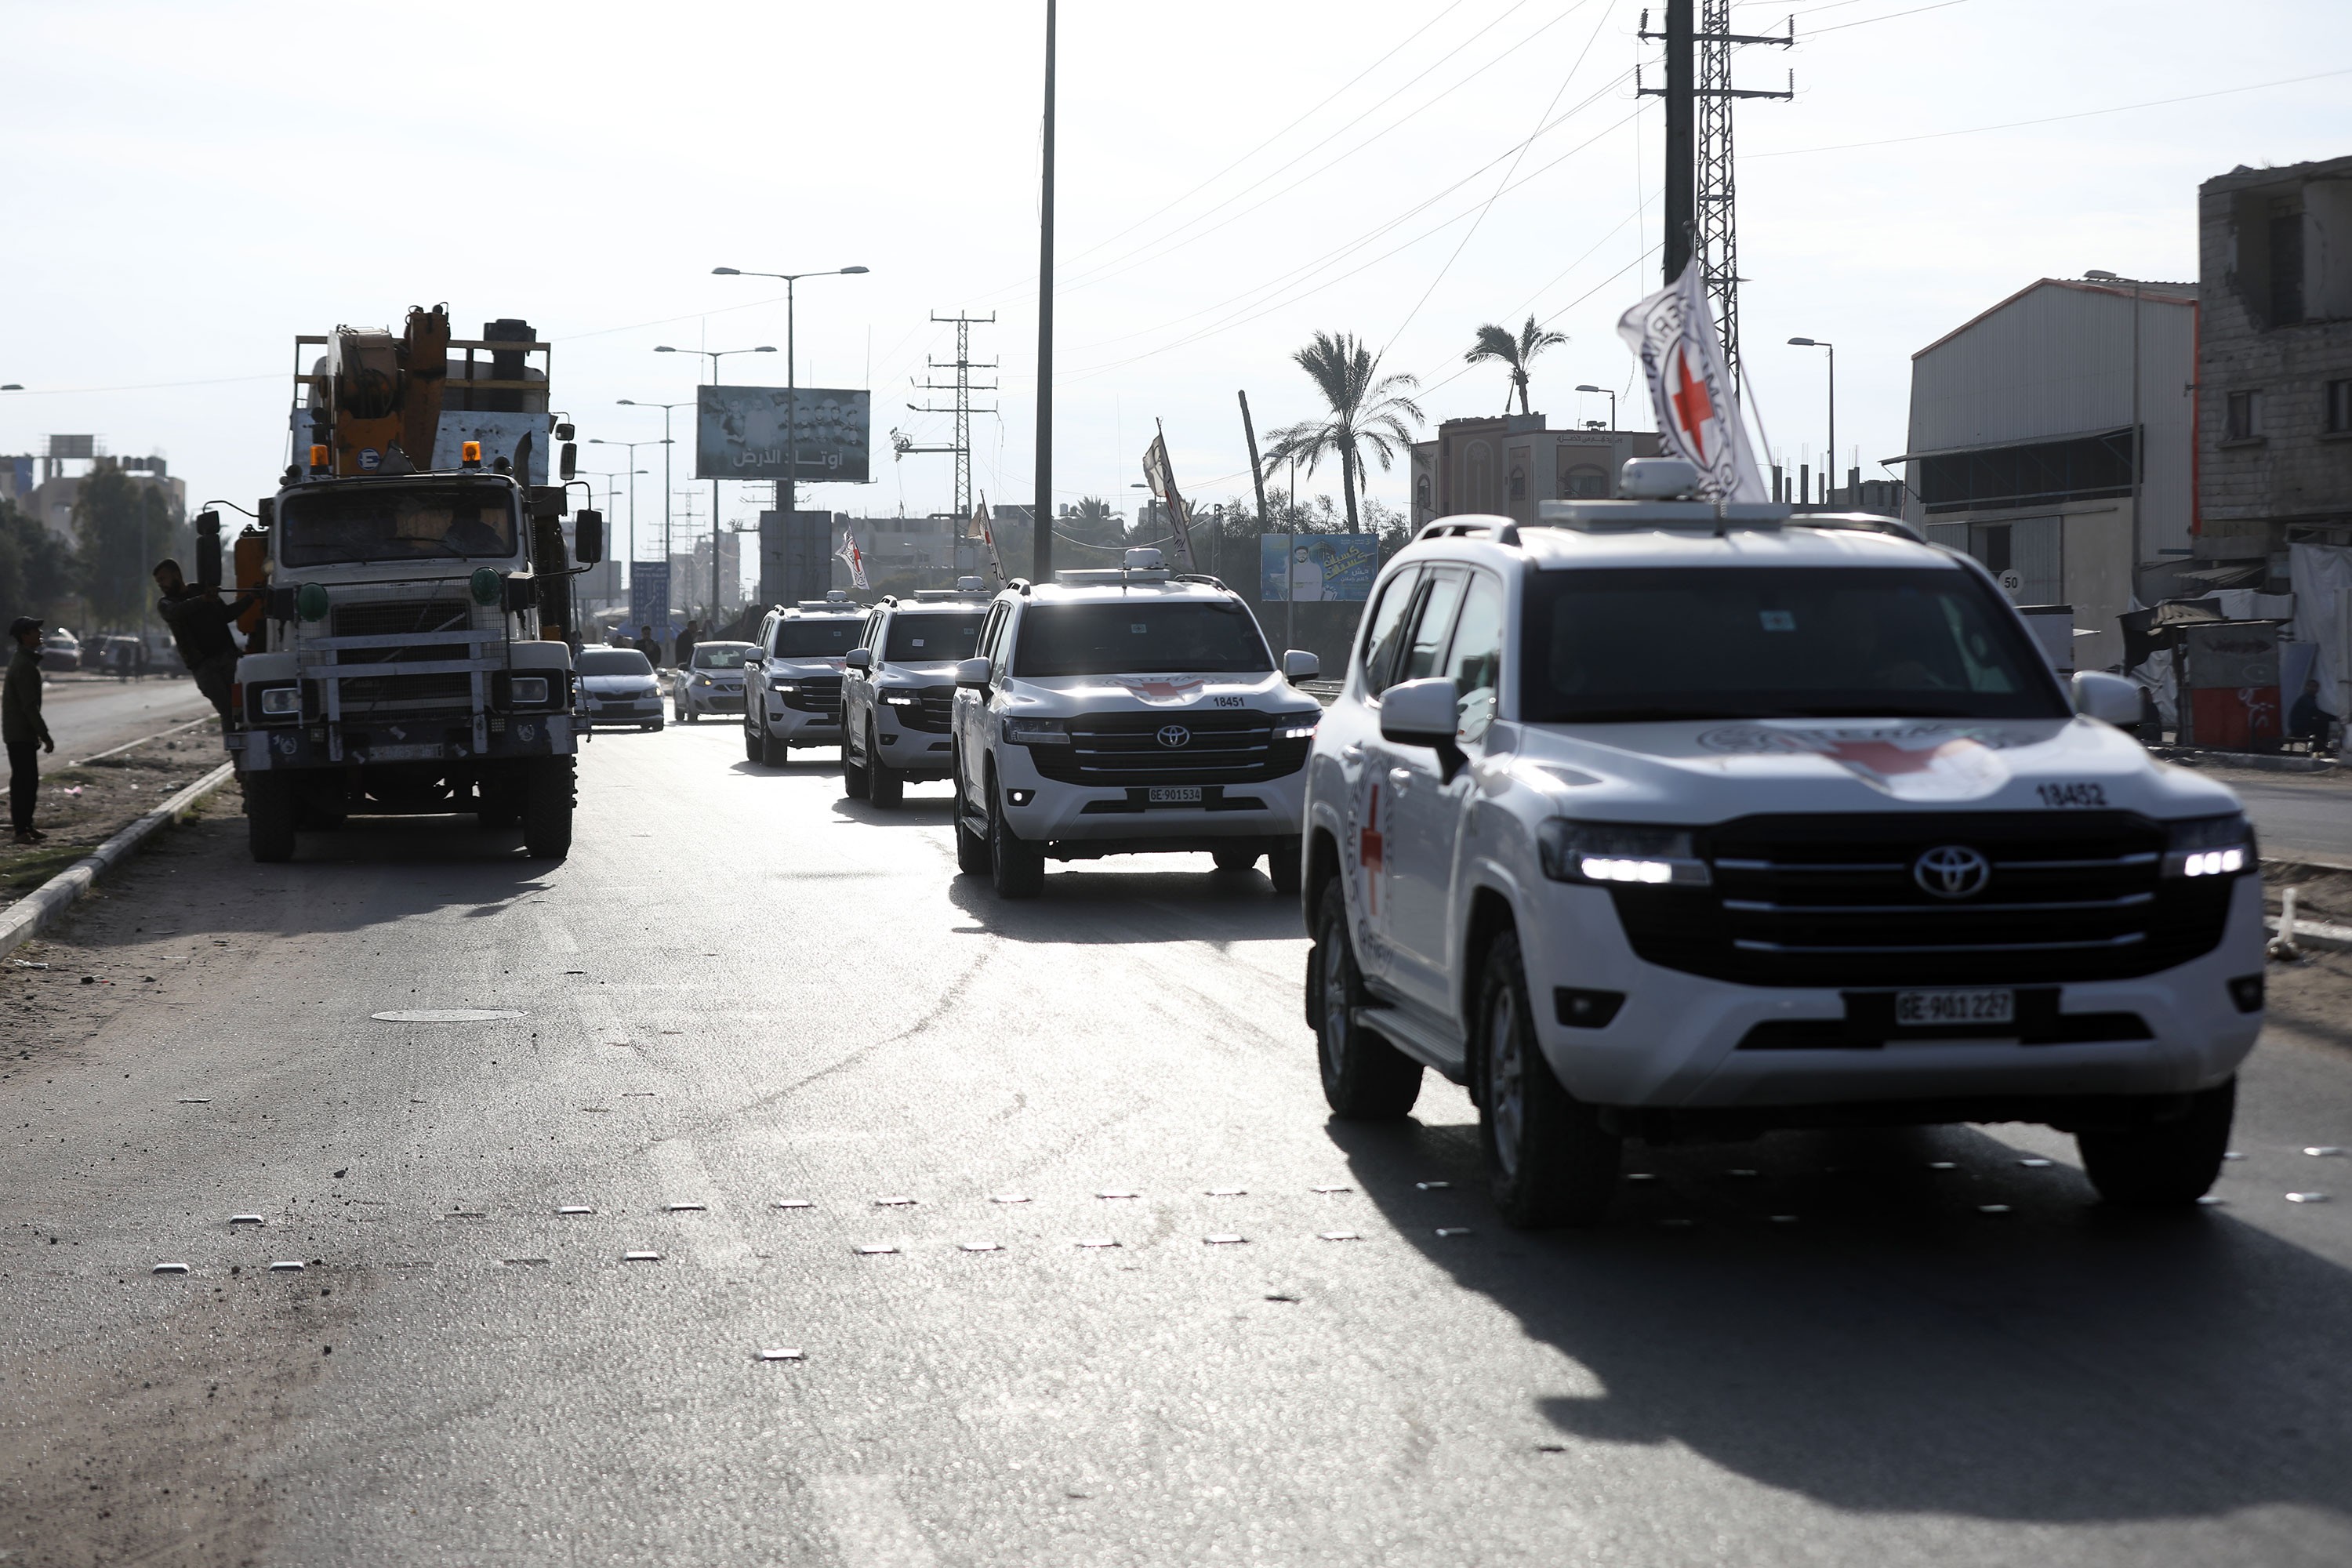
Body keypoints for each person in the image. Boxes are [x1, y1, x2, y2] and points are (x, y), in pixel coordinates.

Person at [153, 559, 260, 725]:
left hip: (226, 657)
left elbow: (226, 614)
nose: (161, 585)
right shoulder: (166, 604)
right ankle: (236, 748)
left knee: (244, 706)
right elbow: (177, 612)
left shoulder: (199, 590)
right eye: (158, 581)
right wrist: (203, 599)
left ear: (176, 575)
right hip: (203, 667)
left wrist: (250, 598)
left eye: (163, 579)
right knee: (227, 711)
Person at [4, 616, 56, 844]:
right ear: (25, 635)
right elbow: (29, 706)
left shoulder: (24, 662)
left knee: (29, 781)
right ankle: (20, 830)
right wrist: (45, 735)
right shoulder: (24, 666)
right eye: (35, 630)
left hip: (21, 733)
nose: (39, 633)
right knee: (24, 782)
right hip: (20, 734)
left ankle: (26, 825)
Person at [2289, 677, 2336, 749]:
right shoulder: (2306, 699)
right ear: (2306, 687)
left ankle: (2319, 745)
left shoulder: (2310, 699)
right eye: (2311, 687)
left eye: (2315, 687)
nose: (2313, 689)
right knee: (2323, 723)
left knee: (2321, 722)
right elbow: (2316, 712)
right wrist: (2334, 718)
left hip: (2302, 724)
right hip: (2299, 726)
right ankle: (2320, 747)